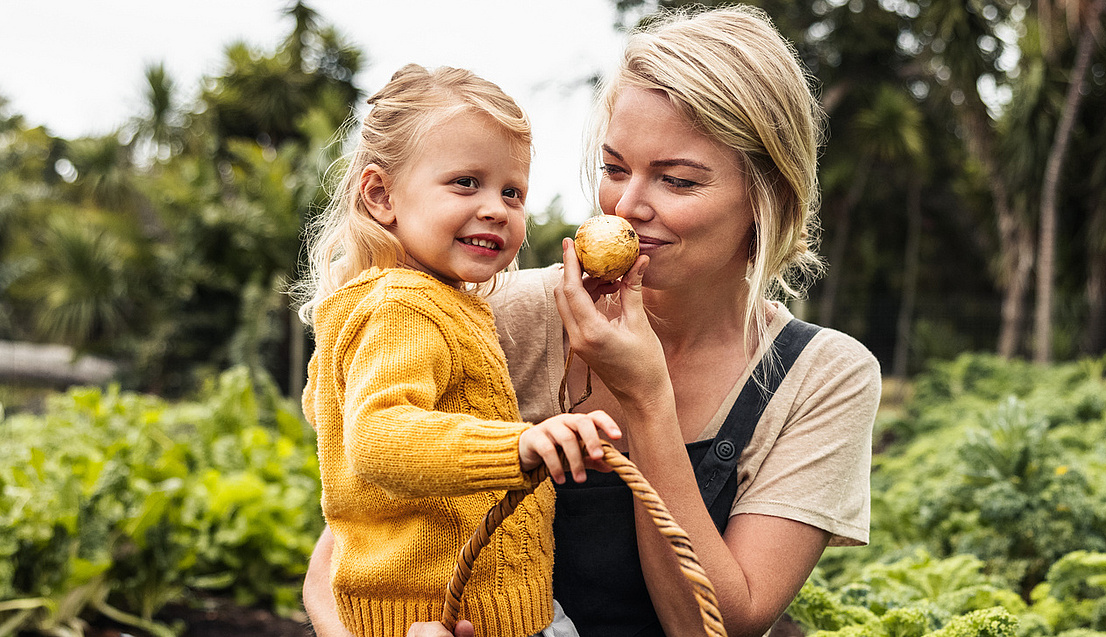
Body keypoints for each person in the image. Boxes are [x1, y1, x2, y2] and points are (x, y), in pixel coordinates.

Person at [305, 7, 880, 636]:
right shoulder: (501, 315)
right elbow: (342, 552)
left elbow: (716, 627)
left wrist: (645, 397)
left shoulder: (822, 378)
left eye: (678, 181)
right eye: (614, 169)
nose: (628, 207)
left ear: (767, 196)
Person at [296, 64, 622, 637]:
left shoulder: (429, 302)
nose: (496, 207)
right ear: (381, 196)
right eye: (465, 183)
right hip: (454, 619)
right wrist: (518, 442)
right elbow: (377, 437)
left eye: (512, 191)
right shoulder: (402, 304)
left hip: (472, 612)